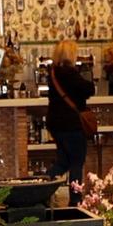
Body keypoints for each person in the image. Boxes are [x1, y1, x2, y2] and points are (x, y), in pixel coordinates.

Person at [45, 39, 94, 190]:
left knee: (63, 162)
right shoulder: (70, 73)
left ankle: (42, 186)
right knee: (76, 163)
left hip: (56, 124)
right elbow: (89, 89)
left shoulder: (52, 73)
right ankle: (75, 198)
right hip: (72, 124)